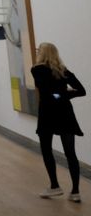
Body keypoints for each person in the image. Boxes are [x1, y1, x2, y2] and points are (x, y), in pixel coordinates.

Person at [32, 42, 85, 201]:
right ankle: (75, 192)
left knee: (46, 150)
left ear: (42, 53)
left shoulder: (37, 70)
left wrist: (58, 94)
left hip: (47, 114)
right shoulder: (63, 70)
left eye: (38, 50)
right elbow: (81, 91)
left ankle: (55, 186)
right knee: (70, 153)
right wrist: (64, 94)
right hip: (65, 113)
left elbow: (47, 93)